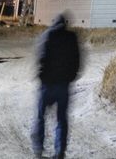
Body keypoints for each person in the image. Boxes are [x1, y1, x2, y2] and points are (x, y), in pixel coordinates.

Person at [32, 13, 80, 159]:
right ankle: (60, 151)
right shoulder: (71, 37)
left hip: (47, 84)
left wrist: (41, 77)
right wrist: (70, 77)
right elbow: (77, 61)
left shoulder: (47, 35)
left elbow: (41, 57)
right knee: (61, 119)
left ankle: (38, 149)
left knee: (40, 117)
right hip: (63, 85)